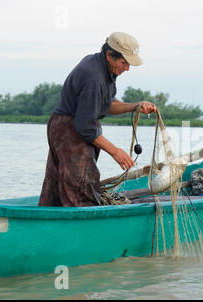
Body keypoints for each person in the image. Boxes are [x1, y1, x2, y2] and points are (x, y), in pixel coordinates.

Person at [39, 32, 157, 207]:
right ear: (110, 55)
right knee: (82, 187)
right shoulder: (93, 76)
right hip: (70, 130)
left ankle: (46, 223)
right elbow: (85, 126)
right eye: (124, 63)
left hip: (68, 127)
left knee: (56, 185)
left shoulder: (103, 68)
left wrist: (135, 106)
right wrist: (116, 152)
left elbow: (107, 104)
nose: (127, 69)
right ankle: (84, 227)